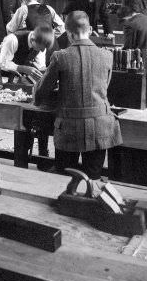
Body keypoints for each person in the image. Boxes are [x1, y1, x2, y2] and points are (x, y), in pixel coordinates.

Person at [33, 11, 122, 186]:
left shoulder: (60, 56)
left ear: (68, 33)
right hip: (100, 128)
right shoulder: (107, 56)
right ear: (89, 29)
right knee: (94, 182)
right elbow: (103, 89)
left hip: (69, 129)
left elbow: (39, 96)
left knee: (66, 181)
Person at [0, 24, 56, 167]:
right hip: (8, 82)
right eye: (41, 47)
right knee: (22, 119)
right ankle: (22, 157)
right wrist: (22, 68)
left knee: (40, 115)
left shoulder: (40, 44)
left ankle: (43, 156)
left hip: (26, 83)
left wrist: (43, 75)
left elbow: (40, 65)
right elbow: (3, 63)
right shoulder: (13, 40)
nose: (43, 50)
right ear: (32, 40)